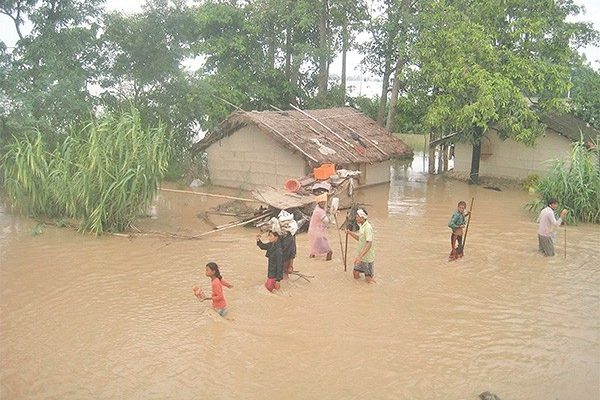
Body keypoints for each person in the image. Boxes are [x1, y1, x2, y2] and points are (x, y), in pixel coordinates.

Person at [345, 208, 375, 283]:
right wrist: (350, 233)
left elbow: (369, 243)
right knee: (355, 274)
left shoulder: (368, 228)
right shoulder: (362, 226)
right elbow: (360, 238)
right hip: (361, 256)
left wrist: (359, 257)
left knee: (368, 279)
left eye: (357, 217)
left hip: (367, 257)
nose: (356, 218)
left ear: (362, 217)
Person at [308, 193, 333, 261]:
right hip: (318, 231)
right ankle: (328, 259)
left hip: (314, 230)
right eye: (322, 202)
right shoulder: (319, 211)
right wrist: (332, 215)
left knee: (314, 245)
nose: (324, 204)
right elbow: (326, 221)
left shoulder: (317, 207)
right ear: (319, 203)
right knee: (329, 250)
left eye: (324, 202)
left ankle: (312, 255)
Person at [278, 210, 298, 276]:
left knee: (284, 275)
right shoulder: (278, 235)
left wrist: (290, 266)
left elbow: (292, 252)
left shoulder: (290, 238)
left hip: (285, 260)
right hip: (279, 260)